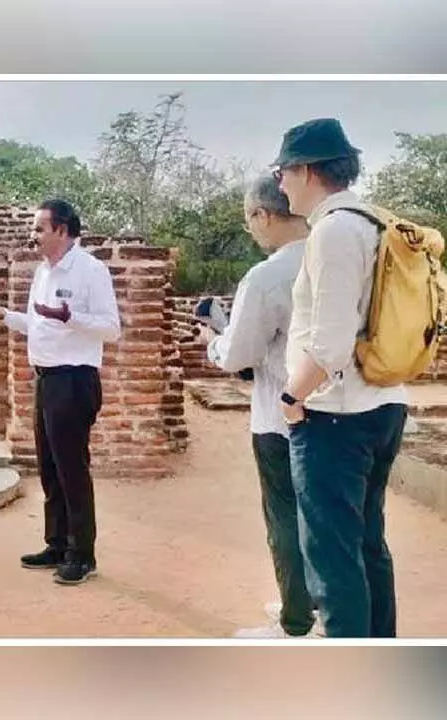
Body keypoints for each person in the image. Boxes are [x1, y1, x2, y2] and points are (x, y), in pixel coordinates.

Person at [273, 118, 408, 637]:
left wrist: (291, 397)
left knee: (331, 559)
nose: (281, 182)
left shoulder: (333, 231)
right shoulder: (375, 222)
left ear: (307, 170)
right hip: (383, 401)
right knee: (368, 544)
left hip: (335, 415)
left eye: (284, 171)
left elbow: (329, 342)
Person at [0, 198, 121, 585]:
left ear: (62, 230)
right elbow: (37, 324)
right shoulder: (43, 272)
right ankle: (57, 545)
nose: (33, 235)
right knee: (49, 467)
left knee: (71, 469)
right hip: (47, 379)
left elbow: (111, 328)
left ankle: (82, 554)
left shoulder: (90, 270)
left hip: (74, 380)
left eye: (40, 228)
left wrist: (71, 317)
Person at [196, 174, 322, 638]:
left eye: (250, 220)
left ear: (263, 215)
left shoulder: (268, 275)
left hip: (281, 416)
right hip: (345, 414)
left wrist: (212, 340)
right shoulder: (335, 259)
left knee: (285, 517)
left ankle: (295, 620)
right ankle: (321, 605)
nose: (251, 230)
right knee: (333, 519)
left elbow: (237, 355)